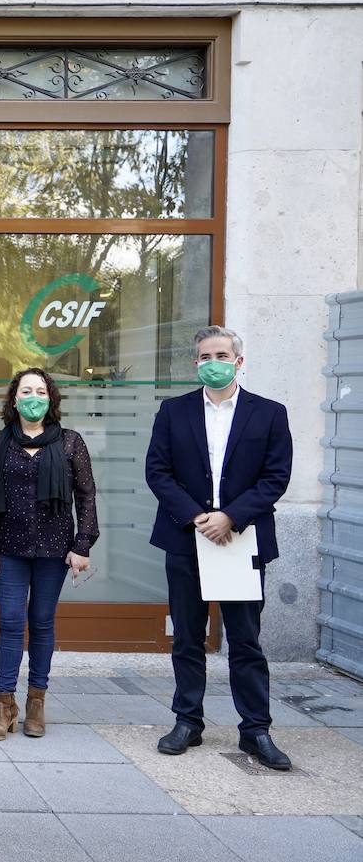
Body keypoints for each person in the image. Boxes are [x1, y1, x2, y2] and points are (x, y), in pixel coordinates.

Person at [145, 325, 294, 770]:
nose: (214, 362)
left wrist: (231, 515)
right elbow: (158, 471)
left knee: (246, 640)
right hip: (186, 537)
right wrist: (196, 517)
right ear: (197, 363)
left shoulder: (268, 414)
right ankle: (187, 721)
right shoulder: (173, 412)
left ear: (239, 361)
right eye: (206, 356)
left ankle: (255, 730)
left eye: (222, 355)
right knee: (187, 637)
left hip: (240, 539)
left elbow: (276, 477)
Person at [0, 368, 99, 741]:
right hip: (9, 547)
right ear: (14, 399)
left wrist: (83, 545)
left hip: (55, 549)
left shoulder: (71, 442)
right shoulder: (0, 442)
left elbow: (86, 495)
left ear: (51, 399)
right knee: (10, 623)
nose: (33, 397)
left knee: (42, 622)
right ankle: (3, 703)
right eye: (26, 391)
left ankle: (36, 702)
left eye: (40, 391)